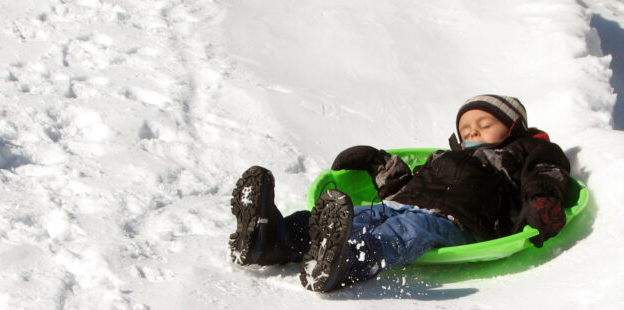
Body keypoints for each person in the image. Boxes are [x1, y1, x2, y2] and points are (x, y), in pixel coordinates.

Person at [228, 95, 571, 292]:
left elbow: (546, 174)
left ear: (514, 127)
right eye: (466, 128)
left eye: (485, 124)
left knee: (406, 233)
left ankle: (345, 262)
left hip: (460, 222)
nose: (472, 132)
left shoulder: (524, 153)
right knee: (353, 215)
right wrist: (375, 161)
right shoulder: (444, 156)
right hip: (403, 202)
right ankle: (272, 238)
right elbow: (405, 183)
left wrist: (543, 201)